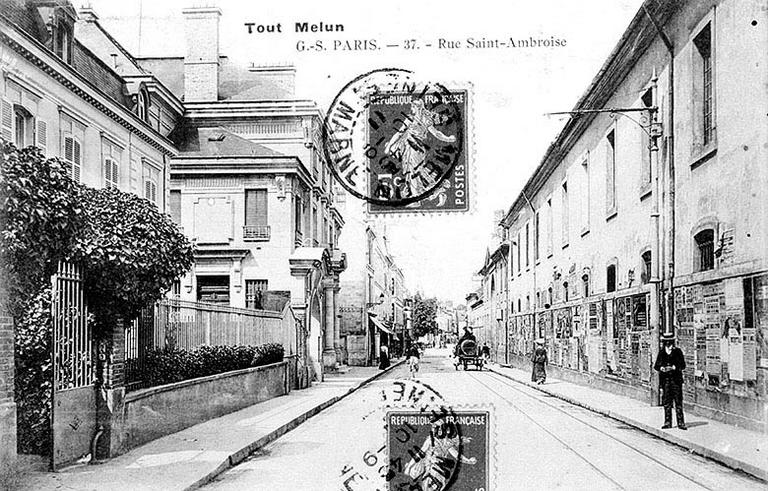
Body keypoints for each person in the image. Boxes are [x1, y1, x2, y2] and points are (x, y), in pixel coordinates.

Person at [654, 333, 687, 430]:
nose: (668, 344)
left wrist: (674, 367)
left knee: (678, 402)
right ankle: (668, 422)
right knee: (667, 402)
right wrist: (662, 368)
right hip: (666, 381)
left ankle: (681, 423)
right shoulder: (662, 352)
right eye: (666, 342)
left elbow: (683, 365)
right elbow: (656, 366)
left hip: (676, 381)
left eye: (670, 342)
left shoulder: (677, 352)